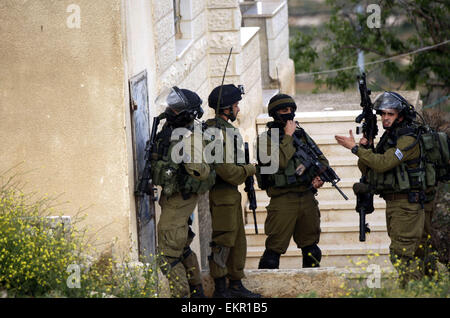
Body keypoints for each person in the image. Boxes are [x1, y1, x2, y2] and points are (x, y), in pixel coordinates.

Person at [335, 91, 427, 287]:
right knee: (402, 254)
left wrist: (355, 149)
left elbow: (384, 163)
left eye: (390, 114)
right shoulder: (390, 137)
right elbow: (369, 168)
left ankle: (415, 291)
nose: (385, 118)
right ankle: (414, 289)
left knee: (402, 255)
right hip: (395, 203)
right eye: (383, 114)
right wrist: (365, 149)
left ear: (400, 115)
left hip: (408, 204)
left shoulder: (408, 138)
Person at [152, 87, 215, 298]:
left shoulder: (190, 137)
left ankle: (183, 296)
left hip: (181, 199)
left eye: (175, 109)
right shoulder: (171, 129)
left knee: (167, 255)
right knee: (182, 247)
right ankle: (197, 292)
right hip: (172, 198)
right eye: (170, 107)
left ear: (187, 114)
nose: (170, 111)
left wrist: (188, 154)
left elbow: (201, 170)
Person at [256, 94, 328, 269]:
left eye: (291, 110)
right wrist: (287, 137)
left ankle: (310, 293)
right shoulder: (266, 139)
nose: (289, 114)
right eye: (283, 110)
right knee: (273, 253)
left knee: (312, 250)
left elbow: (322, 161)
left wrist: (318, 178)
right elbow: (278, 162)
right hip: (283, 200)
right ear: (274, 113)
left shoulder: (301, 135)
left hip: (307, 196)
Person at [205, 84, 261, 298]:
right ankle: (221, 288)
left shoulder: (226, 130)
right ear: (226, 109)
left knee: (237, 240)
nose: (238, 109)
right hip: (221, 195)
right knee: (224, 241)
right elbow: (229, 173)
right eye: (235, 105)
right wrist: (251, 168)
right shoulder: (215, 133)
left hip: (231, 195)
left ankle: (236, 285)